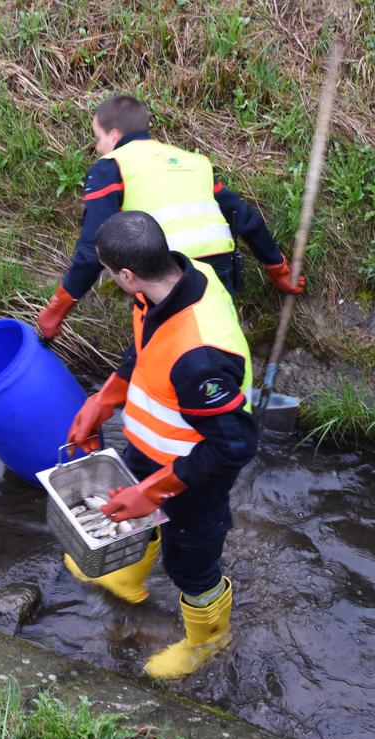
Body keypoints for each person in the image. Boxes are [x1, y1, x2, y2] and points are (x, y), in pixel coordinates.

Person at [64, 211, 258, 680]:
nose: (108, 280)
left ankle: (209, 640)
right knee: (135, 513)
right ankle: (127, 577)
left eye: (109, 273)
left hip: (196, 471)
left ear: (127, 274)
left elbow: (233, 445)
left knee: (190, 562)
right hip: (154, 447)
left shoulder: (200, 358)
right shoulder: (170, 282)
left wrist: (153, 491)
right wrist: (104, 399)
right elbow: (146, 348)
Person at [36, 95, 304, 339]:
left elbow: (93, 247)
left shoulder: (111, 166)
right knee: (217, 340)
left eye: (98, 138)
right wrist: (278, 270)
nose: (97, 147)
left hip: (166, 272)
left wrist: (56, 310)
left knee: (166, 351)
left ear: (115, 135)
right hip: (219, 267)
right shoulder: (193, 161)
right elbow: (244, 217)